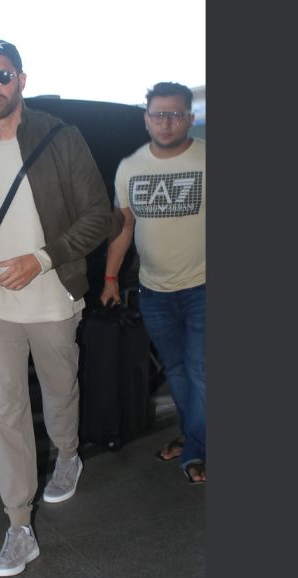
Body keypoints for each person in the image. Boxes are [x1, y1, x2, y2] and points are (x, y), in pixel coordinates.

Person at [0, 40, 112, 577]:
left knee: (59, 393)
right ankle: (18, 526)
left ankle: (68, 453)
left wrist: (42, 259)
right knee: (6, 412)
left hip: (53, 297)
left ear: (21, 79)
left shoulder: (61, 137)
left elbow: (98, 215)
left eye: (3, 76)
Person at [100, 81, 206, 485]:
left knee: (200, 370)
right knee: (176, 370)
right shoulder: (130, 167)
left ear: (189, 118)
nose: (166, 122)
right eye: (158, 114)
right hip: (154, 292)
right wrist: (110, 278)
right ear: (146, 119)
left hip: (203, 287)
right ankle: (194, 435)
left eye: (175, 114)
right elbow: (124, 228)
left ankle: (196, 450)